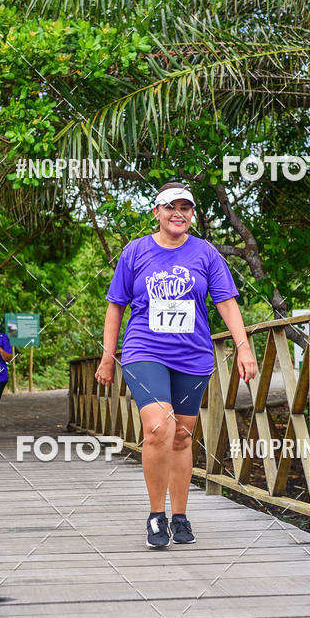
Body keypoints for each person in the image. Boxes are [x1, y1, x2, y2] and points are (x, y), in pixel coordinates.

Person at [95, 182, 257, 548]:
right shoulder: (135, 251)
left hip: (192, 355)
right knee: (158, 427)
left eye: (185, 207)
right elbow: (115, 305)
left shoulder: (206, 253)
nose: (178, 214)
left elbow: (226, 302)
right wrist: (108, 356)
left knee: (182, 435)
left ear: (192, 214)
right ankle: (156, 516)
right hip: (144, 350)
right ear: (156, 212)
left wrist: (243, 348)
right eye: (170, 207)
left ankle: (180, 515)